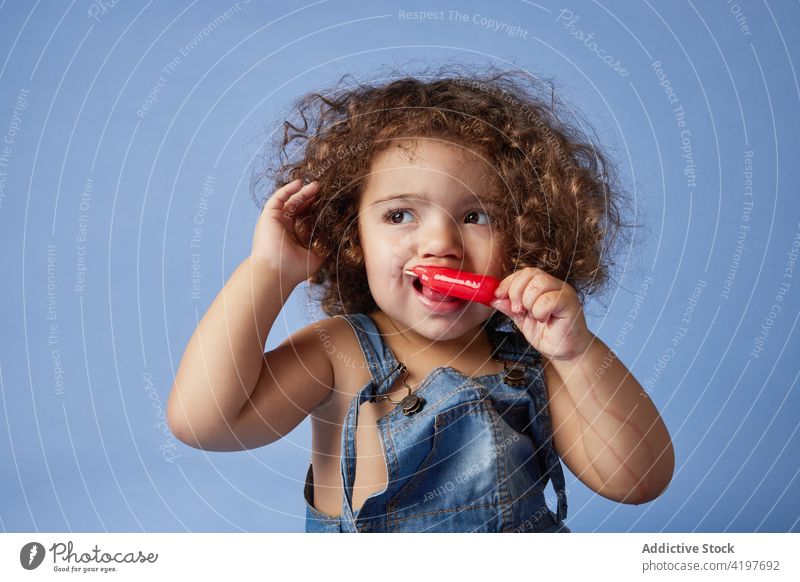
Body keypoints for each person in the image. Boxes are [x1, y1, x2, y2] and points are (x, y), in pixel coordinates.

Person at [167, 64, 674, 533]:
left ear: (525, 238)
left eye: (478, 217)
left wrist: (577, 352)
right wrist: (270, 272)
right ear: (351, 236)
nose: (441, 244)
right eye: (399, 215)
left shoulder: (536, 359)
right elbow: (203, 421)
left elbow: (639, 480)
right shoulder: (339, 352)